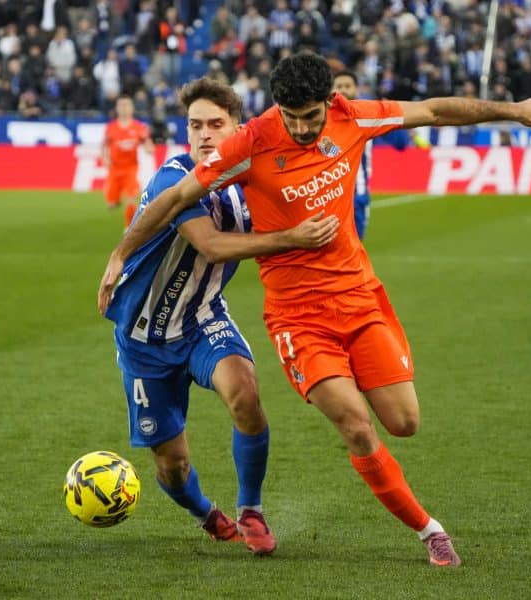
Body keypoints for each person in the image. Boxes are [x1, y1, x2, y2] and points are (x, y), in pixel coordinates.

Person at [99, 52, 531, 567]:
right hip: (294, 318)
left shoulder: (353, 117)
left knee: (404, 422)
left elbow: (432, 111)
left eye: (309, 117)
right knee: (353, 425)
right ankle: (428, 530)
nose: (299, 128)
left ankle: (257, 496)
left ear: (330, 103)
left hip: (357, 299)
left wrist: (515, 110)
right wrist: (120, 251)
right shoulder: (248, 146)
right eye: (289, 117)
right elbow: (176, 200)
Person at [103, 77, 339, 556]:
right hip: (144, 340)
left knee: (245, 394)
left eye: (216, 124)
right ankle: (206, 513)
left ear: (238, 128)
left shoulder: (251, 180)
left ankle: (250, 509)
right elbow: (210, 244)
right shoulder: (175, 179)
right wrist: (294, 237)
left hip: (202, 321)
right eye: (195, 125)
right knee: (172, 465)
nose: (205, 134)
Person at [330, 70, 410, 240]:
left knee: (353, 250)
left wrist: (391, 113)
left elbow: (401, 144)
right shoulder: (323, 117)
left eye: (348, 86)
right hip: (328, 197)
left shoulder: (369, 115)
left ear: (357, 89)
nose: (343, 90)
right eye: (339, 86)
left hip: (357, 196)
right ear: (332, 91)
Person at [102, 95, 154, 224]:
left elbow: (147, 143)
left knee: (131, 198)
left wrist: (149, 148)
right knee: (112, 204)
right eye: (121, 105)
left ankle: (129, 228)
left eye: (127, 105)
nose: (124, 108)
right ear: (117, 108)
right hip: (114, 169)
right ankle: (115, 199)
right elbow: (104, 145)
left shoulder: (139, 127)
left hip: (131, 168)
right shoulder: (111, 127)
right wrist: (104, 158)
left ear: (132, 108)